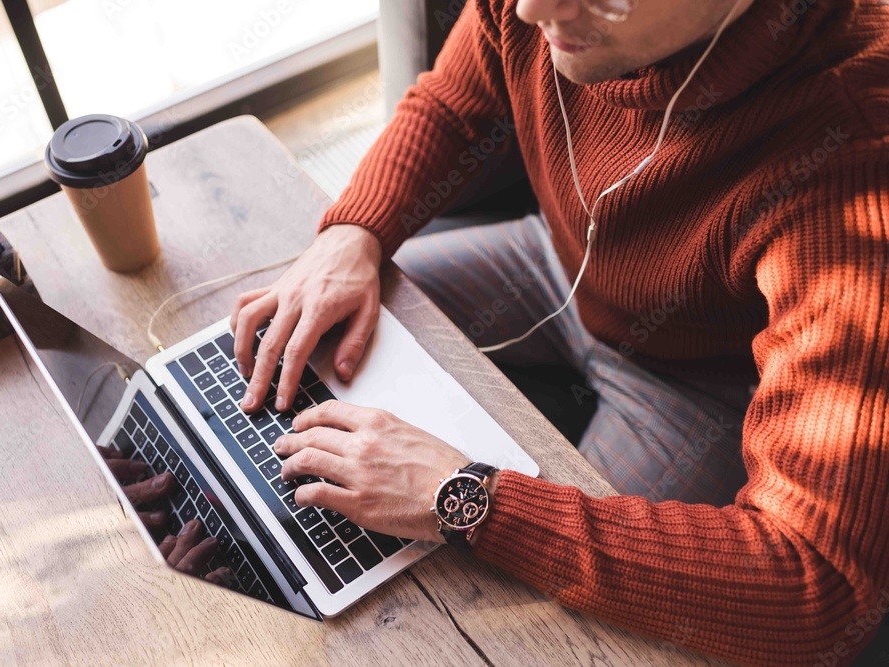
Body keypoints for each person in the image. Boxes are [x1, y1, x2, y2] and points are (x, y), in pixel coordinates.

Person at [231, 0, 888, 663]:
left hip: (697, 380)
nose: (530, 9)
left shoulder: (854, 160)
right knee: (278, 360)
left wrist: (465, 498)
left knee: (498, 632)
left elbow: (816, 583)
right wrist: (355, 232)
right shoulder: (536, 5)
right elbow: (454, 103)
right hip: (555, 261)